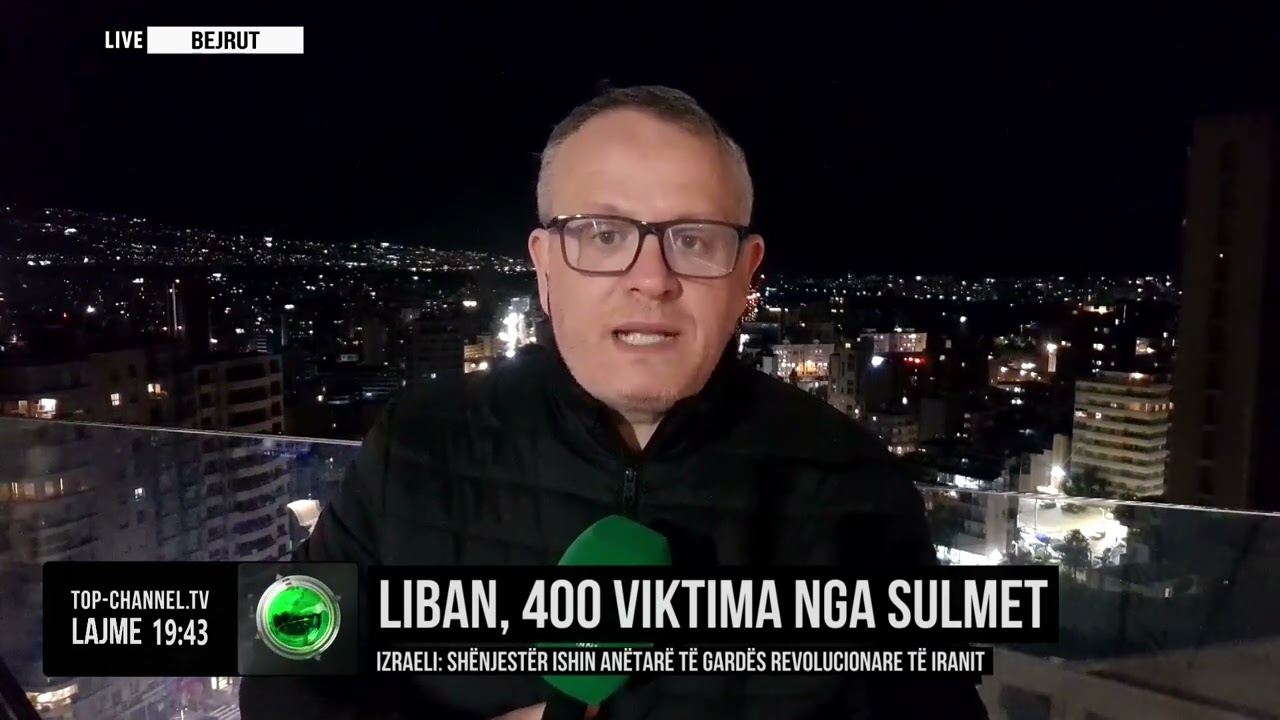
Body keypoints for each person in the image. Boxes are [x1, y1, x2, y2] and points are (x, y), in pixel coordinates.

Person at [240, 85, 988, 719]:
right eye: (602, 235)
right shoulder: (416, 446)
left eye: (694, 240)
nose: (652, 278)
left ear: (745, 275)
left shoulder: (855, 486)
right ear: (545, 268)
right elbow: (283, 677)